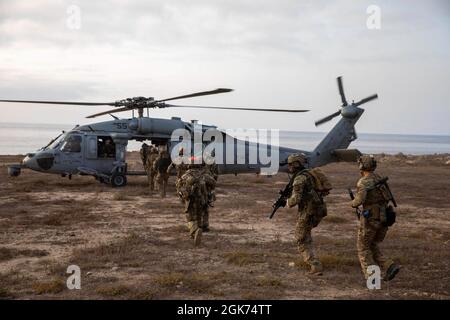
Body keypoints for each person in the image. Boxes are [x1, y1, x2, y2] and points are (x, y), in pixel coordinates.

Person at [351, 155, 401, 281]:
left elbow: (358, 202)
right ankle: (389, 266)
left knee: (363, 248)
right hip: (384, 218)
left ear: (362, 166)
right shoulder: (379, 178)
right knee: (372, 244)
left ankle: (373, 278)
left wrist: (352, 203)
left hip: (370, 220)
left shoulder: (363, 182)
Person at [286, 153, 329, 275]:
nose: (289, 167)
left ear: (296, 164)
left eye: (290, 164)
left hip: (308, 212)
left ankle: (315, 265)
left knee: (300, 238)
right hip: (318, 209)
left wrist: (287, 201)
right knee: (306, 235)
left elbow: (295, 200)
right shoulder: (310, 173)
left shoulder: (299, 179)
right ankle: (314, 260)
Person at [176, 160, 216, 246]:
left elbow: (179, 187)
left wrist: (182, 197)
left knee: (190, 218)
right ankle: (199, 229)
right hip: (202, 200)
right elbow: (213, 183)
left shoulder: (185, 176)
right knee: (199, 216)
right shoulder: (204, 175)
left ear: (189, 166)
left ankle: (195, 232)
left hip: (190, 201)